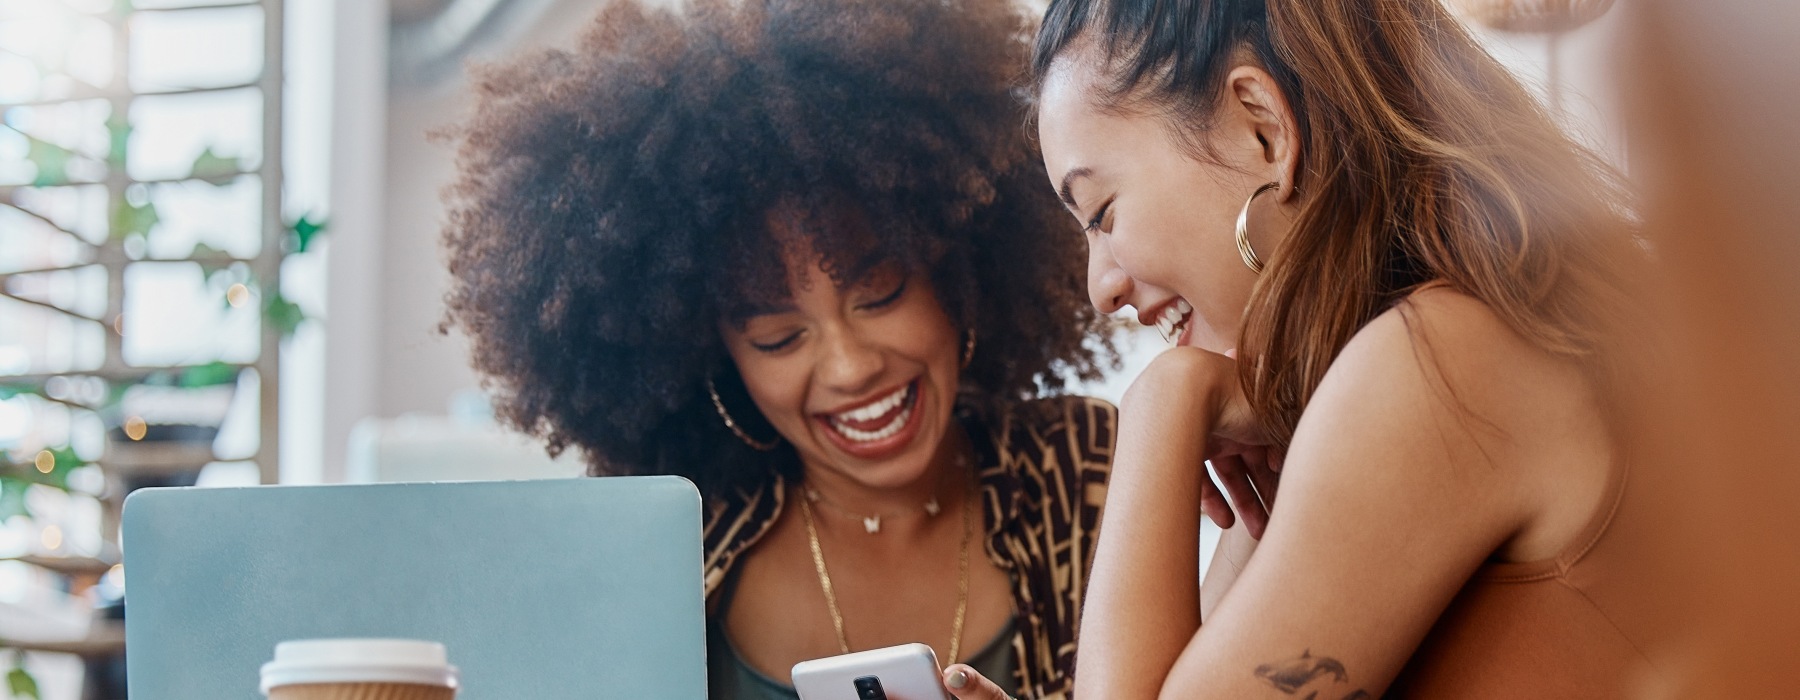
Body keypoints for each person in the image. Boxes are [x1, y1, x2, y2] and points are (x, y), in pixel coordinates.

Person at [949, 0, 1657, 697]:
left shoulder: (1440, 362)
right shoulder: (1371, 382)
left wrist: (1165, 397)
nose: (1099, 287)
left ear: (1261, 128)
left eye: (1101, 214)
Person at [436, 0, 1119, 697]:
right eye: (778, 337)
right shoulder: (668, 552)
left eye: (880, 295)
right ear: (711, 357)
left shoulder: (1083, 469)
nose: (851, 367)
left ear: (958, 272)